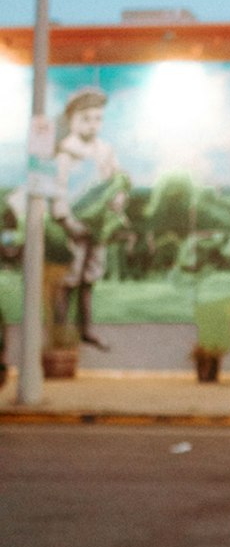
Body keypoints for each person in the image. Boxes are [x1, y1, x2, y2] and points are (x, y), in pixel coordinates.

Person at [49, 87, 129, 350]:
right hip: (74, 223)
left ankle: (87, 329)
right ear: (72, 119)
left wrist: (116, 204)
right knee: (70, 276)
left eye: (97, 118)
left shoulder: (105, 151)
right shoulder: (65, 152)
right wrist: (67, 220)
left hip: (98, 224)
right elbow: (57, 189)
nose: (92, 125)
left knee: (90, 275)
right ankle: (60, 332)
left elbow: (116, 182)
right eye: (86, 118)